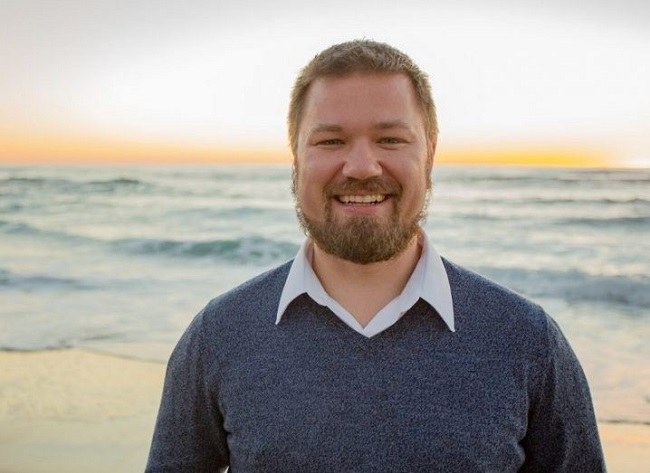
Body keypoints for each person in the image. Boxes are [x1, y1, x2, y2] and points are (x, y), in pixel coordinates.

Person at [146, 39, 605, 472]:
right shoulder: (220, 335)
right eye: (331, 141)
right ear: (296, 159)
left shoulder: (527, 341)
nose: (362, 166)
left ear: (429, 156)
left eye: (390, 140)